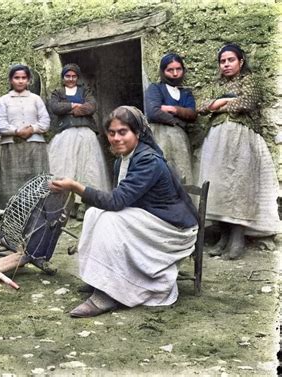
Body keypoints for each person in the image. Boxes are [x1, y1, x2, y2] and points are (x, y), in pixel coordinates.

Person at [50, 106, 198, 318]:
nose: (117, 138)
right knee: (94, 214)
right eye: (112, 133)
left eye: (123, 132)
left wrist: (75, 186)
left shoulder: (148, 160)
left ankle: (109, 295)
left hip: (172, 229)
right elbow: (121, 199)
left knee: (110, 221)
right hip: (149, 218)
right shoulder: (123, 159)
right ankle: (102, 280)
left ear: (137, 133)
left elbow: (117, 201)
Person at [198, 43, 281, 259]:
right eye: (222, 61)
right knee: (220, 187)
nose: (226, 64)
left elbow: (248, 102)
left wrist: (220, 103)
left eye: (230, 60)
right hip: (216, 141)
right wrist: (225, 101)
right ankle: (223, 237)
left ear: (240, 61)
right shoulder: (215, 84)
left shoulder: (250, 81)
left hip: (242, 138)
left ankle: (237, 239)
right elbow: (201, 106)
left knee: (239, 186)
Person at [48, 63, 110, 220]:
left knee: (87, 169)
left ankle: (84, 205)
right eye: (67, 76)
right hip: (65, 136)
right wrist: (73, 105)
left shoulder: (85, 91)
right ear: (63, 77)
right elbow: (55, 107)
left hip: (85, 134)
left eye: (73, 76)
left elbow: (91, 107)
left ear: (77, 77)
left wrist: (71, 110)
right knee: (67, 168)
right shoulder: (58, 92)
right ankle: (68, 206)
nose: (70, 79)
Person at [0, 64, 50, 208]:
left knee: (36, 181)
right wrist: (16, 131)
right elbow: (0, 124)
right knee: (12, 183)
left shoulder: (36, 99)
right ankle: (12, 217)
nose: (20, 81)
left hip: (35, 146)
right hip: (12, 147)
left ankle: (38, 214)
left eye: (23, 78)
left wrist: (32, 129)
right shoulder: (4, 100)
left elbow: (45, 122)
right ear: (11, 80)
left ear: (28, 80)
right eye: (16, 78)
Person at [145, 53, 197, 184]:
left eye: (178, 69)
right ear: (163, 71)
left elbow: (192, 114)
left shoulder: (185, 93)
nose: (175, 74)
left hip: (180, 139)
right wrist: (179, 121)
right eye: (170, 70)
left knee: (182, 173)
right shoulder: (155, 89)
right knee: (163, 170)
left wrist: (173, 109)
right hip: (160, 136)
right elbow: (153, 112)